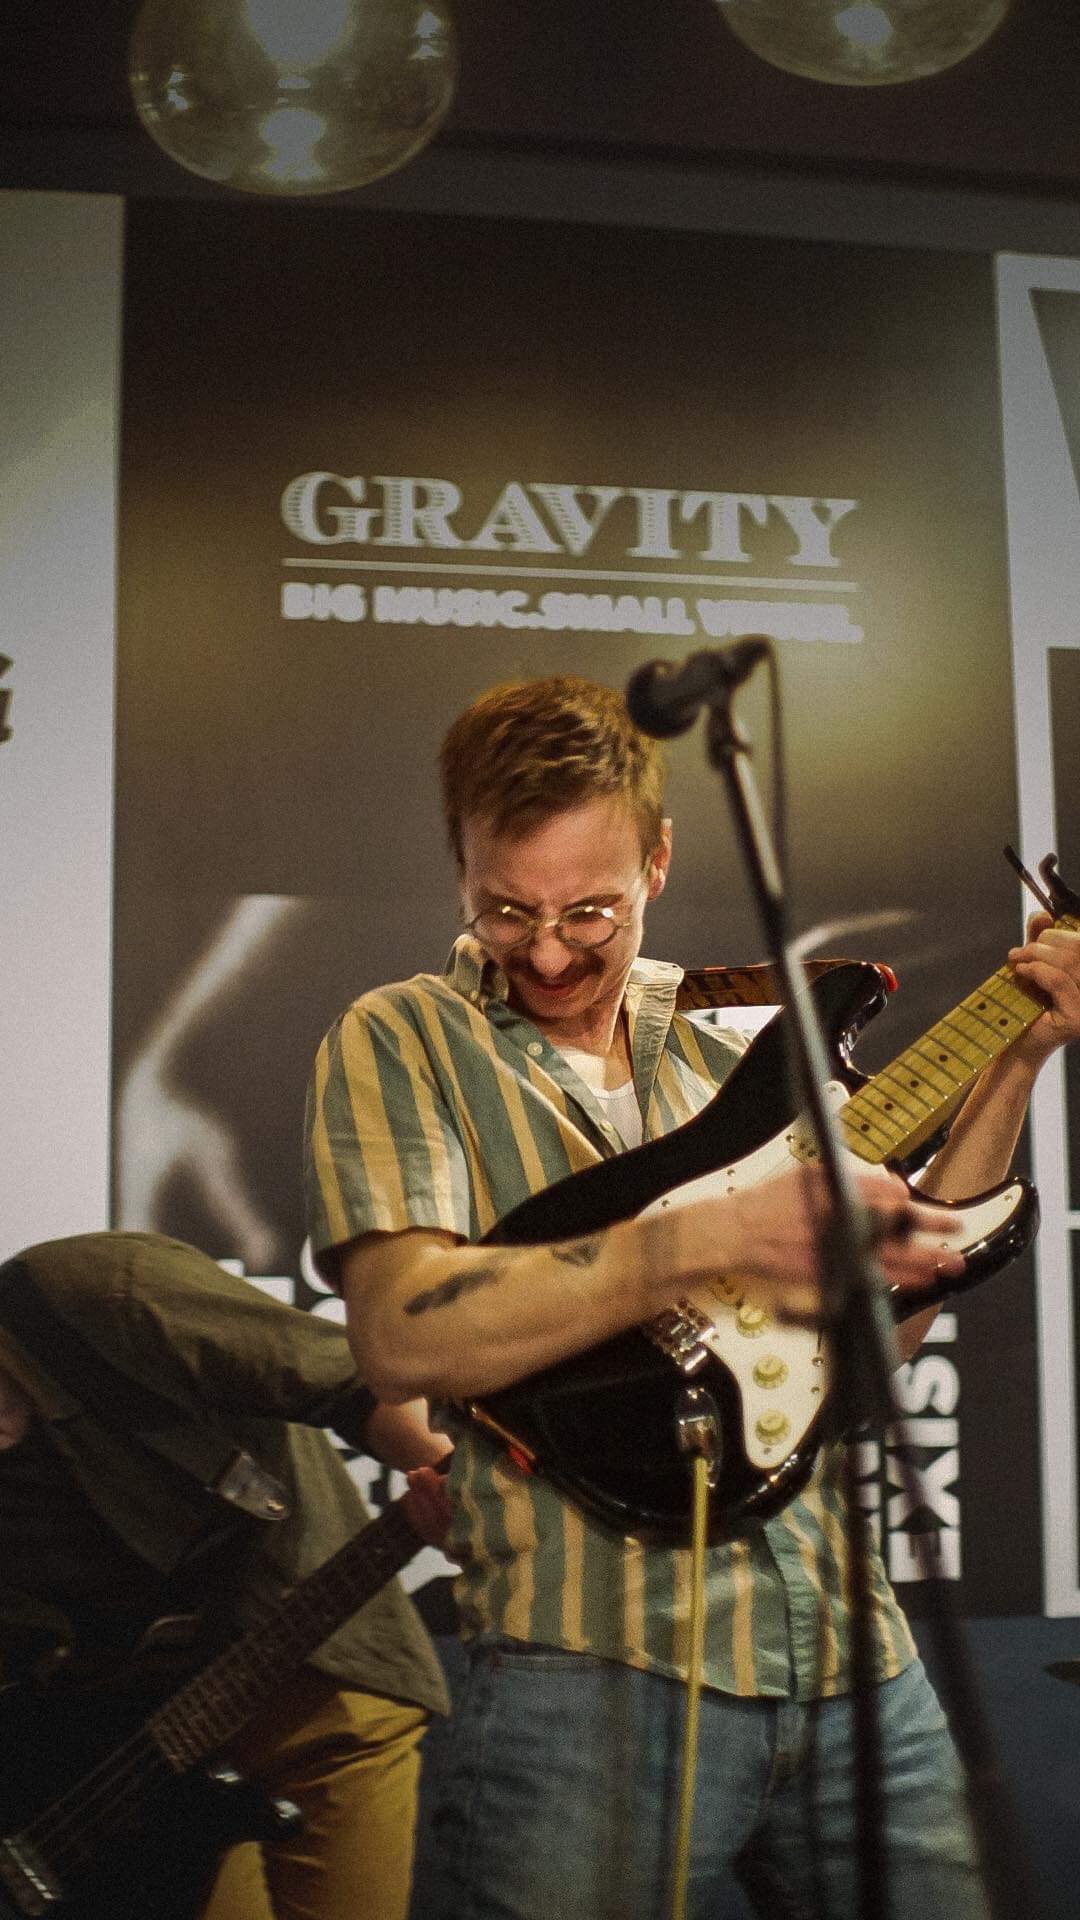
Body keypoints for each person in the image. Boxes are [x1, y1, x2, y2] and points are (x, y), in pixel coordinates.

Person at [305, 675, 1080, 1920]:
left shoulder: (750, 1039)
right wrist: (697, 1240)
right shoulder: (403, 1037)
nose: (546, 952)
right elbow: (398, 1334)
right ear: (460, 869)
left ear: (658, 862)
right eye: (507, 910)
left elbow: (884, 1333)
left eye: (590, 912)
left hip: (853, 1651)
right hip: (589, 1674)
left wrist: (1019, 1060)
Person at [0, 1228, 451, 1920]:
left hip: (324, 1681)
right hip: (148, 1760)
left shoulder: (98, 1288)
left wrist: (462, 1485)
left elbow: (357, 1385)